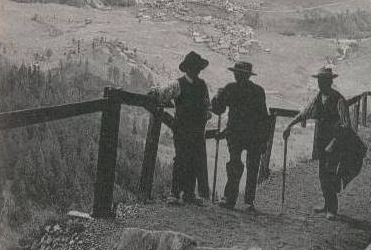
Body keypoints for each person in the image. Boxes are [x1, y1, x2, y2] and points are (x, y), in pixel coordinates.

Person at [283, 65, 353, 220]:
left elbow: (346, 125)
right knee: (323, 174)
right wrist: (290, 125)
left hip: (335, 144)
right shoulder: (318, 98)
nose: (321, 84)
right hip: (322, 142)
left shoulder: (339, 100)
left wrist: (334, 142)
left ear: (330, 82)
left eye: (324, 81)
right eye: (319, 81)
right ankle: (327, 205)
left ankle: (332, 209)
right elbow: (305, 112)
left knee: (330, 174)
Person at [149, 51, 211, 206]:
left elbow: (208, 106)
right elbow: (163, 95)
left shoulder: (202, 85)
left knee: (194, 160)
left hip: (197, 130)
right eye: (193, 67)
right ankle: (174, 193)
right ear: (187, 68)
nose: (196, 70)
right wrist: (155, 90)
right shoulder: (177, 84)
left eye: (198, 68)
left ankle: (189, 194)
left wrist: (206, 114)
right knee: (181, 159)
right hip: (182, 129)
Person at [211, 60, 269, 212]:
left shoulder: (257, 91)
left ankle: (246, 201)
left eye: (241, 74)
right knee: (236, 165)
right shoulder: (230, 89)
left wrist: (264, 140)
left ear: (247, 76)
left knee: (250, 167)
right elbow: (219, 109)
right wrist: (217, 97)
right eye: (237, 73)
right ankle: (232, 199)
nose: (238, 76)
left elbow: (263, 117)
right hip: (236, 135)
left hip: (251, 136)